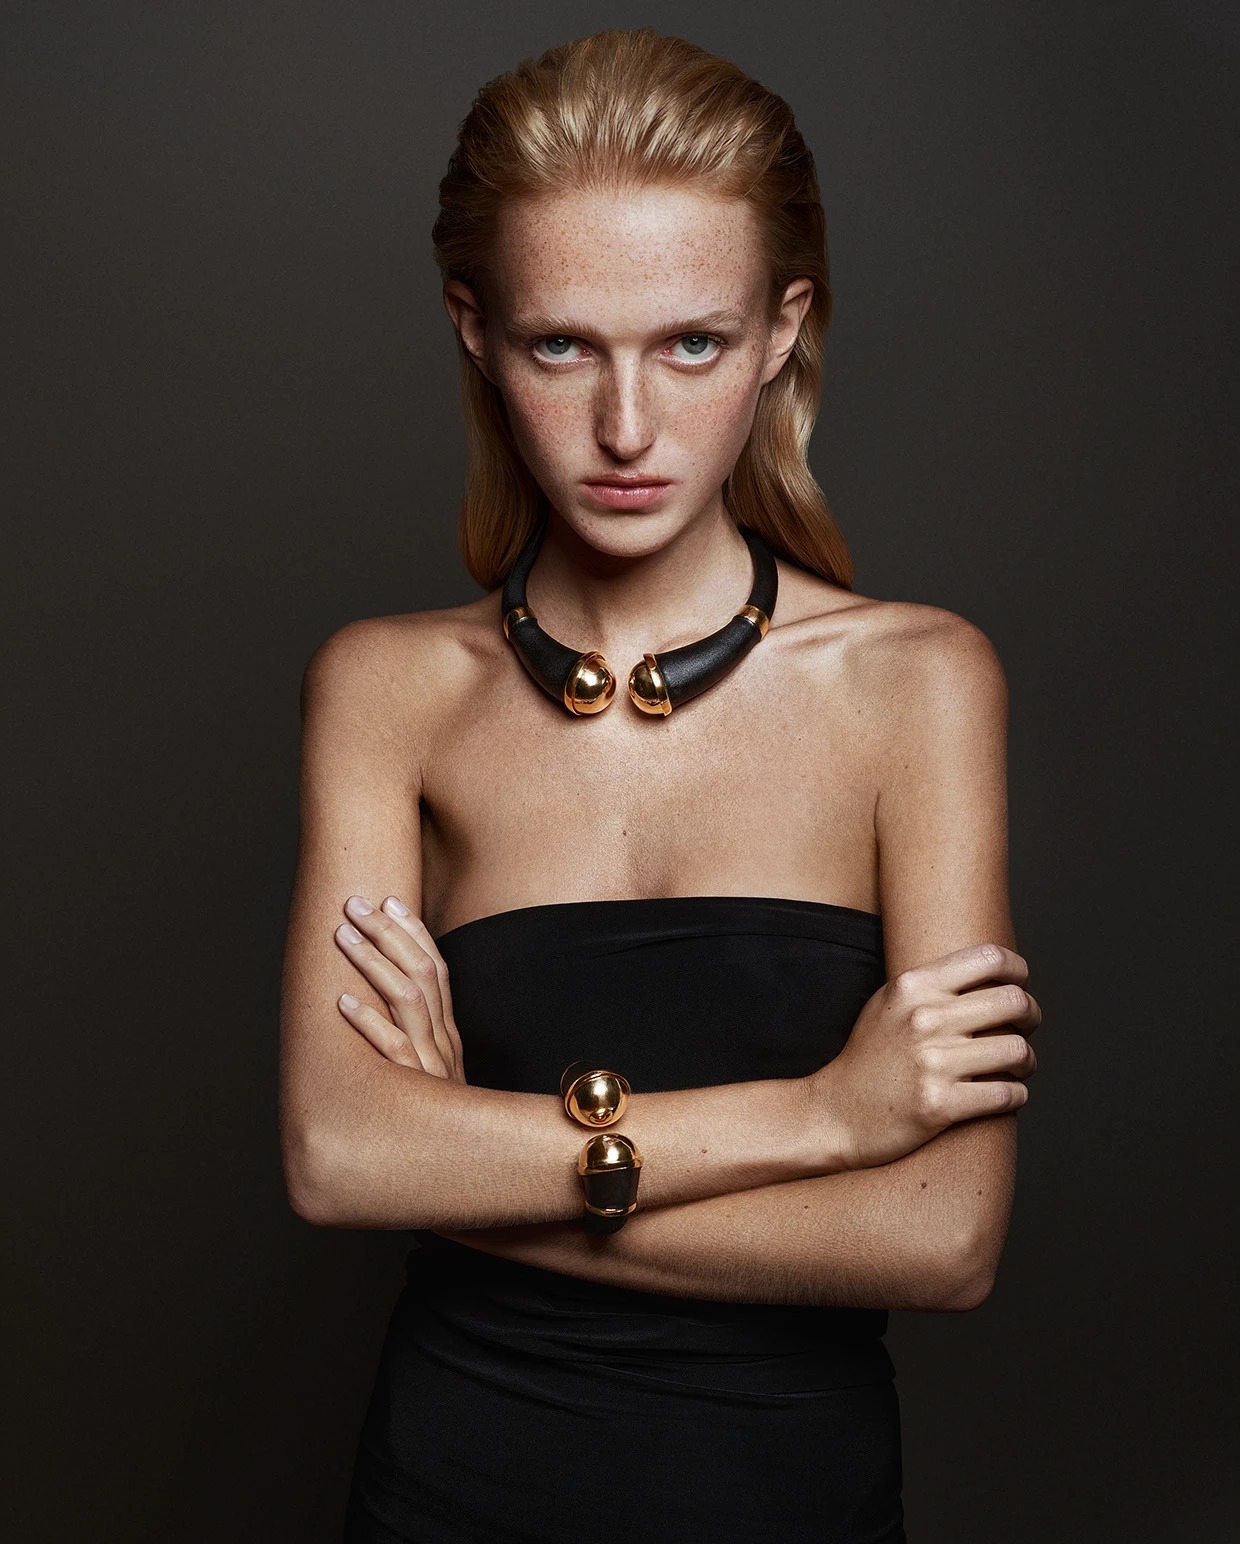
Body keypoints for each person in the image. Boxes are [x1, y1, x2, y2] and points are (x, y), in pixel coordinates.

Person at [278, 27, 1041, 1544]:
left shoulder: (920, 683)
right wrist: (824, 1117)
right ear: (476, 331)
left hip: (791, 1501)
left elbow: (942, 1237)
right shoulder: (386, 690)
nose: (626, 428)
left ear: (780, 332)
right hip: (448, 1491)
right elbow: (336, 1154)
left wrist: (471, 1166)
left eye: (691, 343)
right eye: (562, 345)